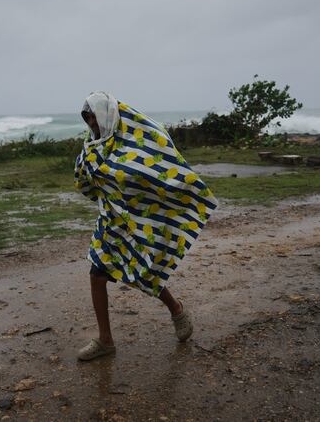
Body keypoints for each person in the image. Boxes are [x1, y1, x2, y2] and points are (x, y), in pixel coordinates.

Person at [74, 92, 218, 361]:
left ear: (106, 114)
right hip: (110, 222)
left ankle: (176, 309)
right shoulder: (92, 146)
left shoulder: (135, 143)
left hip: (138, 220)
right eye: (86, 117)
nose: (90, 121)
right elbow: (85, 179)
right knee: (96, 274)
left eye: (93, 115)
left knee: (144, 270)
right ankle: (105, 340)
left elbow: (155, 170)